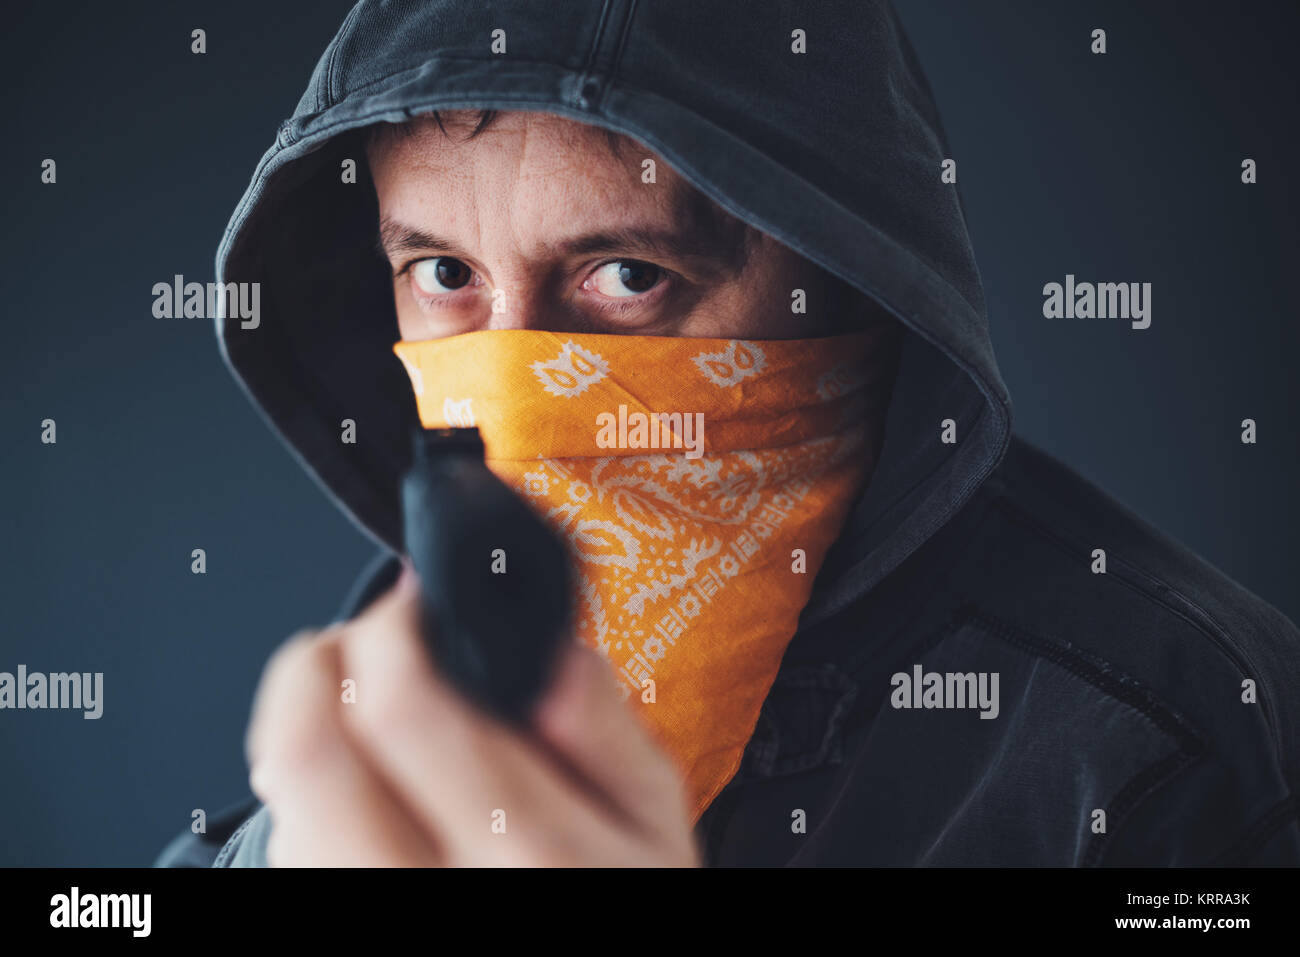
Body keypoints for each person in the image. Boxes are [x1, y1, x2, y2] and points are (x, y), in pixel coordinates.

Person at [156, 0, 1299, 867]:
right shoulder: (410, 647)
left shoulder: (1177, 741)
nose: (515, 379)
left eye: (625, 274)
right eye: (443, 272)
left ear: (846, 279)